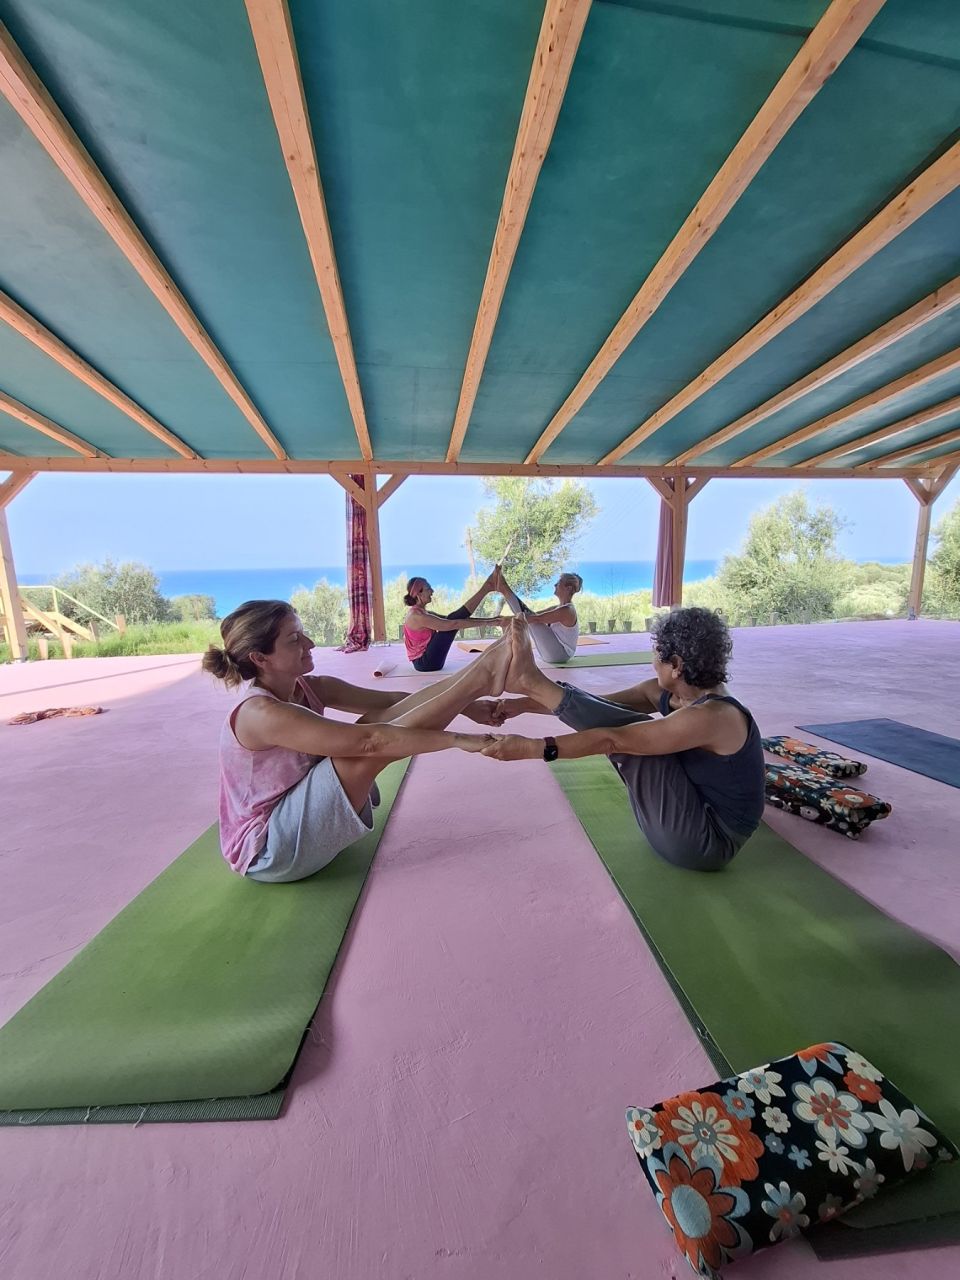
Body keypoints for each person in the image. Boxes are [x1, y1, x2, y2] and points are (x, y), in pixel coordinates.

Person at [203, 599, 506, 883]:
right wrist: (456, 740)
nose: (310, 643)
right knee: (360, 747)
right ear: (260, 658)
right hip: (267, 849)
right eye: (294, 639)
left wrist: (468, 707)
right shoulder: (260, 713)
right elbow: (370, 743)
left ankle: (480, 678)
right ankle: (481, 676)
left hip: (295, 813)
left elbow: (393, 701)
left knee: (374, 722)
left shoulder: (309, 688)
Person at [483, 609, 765, 871]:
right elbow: (599, 705)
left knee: (639, 736)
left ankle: (532, 681)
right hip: (681, 815)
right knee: (633, 728)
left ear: (677, 665)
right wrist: (523, 704)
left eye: (657, 655)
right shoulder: (672, 694)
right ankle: (532, 683)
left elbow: (613, 740)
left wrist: (532, 748)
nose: (653, 663)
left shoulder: (715, 716)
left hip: (707, 843)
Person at [403, 567, 509, 671]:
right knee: (452, 622)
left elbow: (454, 620)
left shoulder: (422, 613)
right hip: (426, 664)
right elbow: (453, 624)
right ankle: (487, 588)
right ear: (419, 594)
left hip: (427, 661)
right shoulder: (417, 616)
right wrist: (493, 622)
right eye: (428, 588)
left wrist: (493, 620)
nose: (432, 591)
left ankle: (487, 588)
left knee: (452, 619)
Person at [494, 567, 582, 664]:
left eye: (559, 582)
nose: (555, 585)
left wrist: (509, 620)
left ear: (568, 588)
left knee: (533, 620)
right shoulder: (558, 608)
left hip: (560, 655)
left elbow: (536, 619)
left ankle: (504, 588)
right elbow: (532, 614)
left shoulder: (567, 610)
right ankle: (504, 588)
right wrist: (510, 618)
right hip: (554, 654)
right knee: (529, 617)